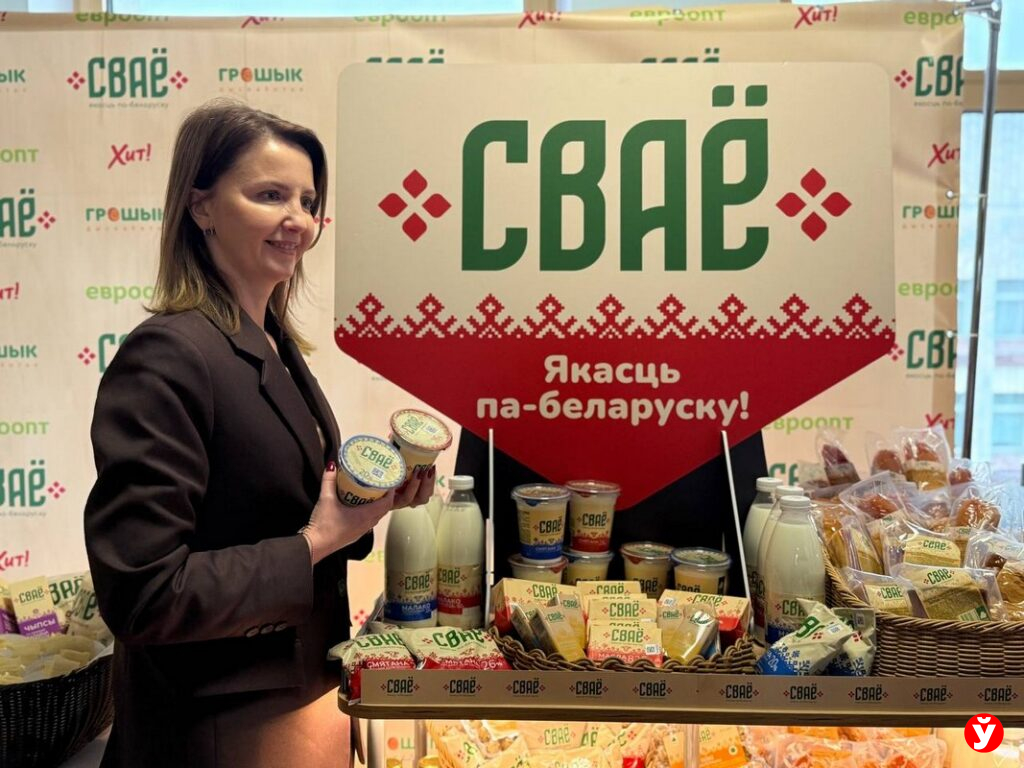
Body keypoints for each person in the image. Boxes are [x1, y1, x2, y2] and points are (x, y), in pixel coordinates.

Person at [83, 99, 431, 768]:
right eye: (270, 195)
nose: (298, 219)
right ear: (202, 207)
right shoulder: (169, 355)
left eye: (308, 200)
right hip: (216, 732)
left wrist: (365, 504)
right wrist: (316, 540)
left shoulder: (272, 344)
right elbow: (144, 594)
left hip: (299, 707)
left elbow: (270, 510)